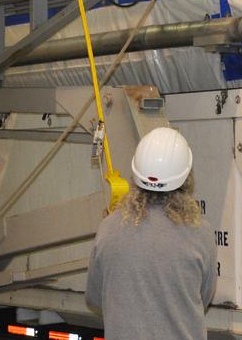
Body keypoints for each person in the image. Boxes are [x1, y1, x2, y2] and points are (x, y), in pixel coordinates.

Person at [85, 127, 216, 340]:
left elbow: (95, 297)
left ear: (136, 174)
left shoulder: (108, 228)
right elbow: (203, 297)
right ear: (186, 178)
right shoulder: (200, 233)